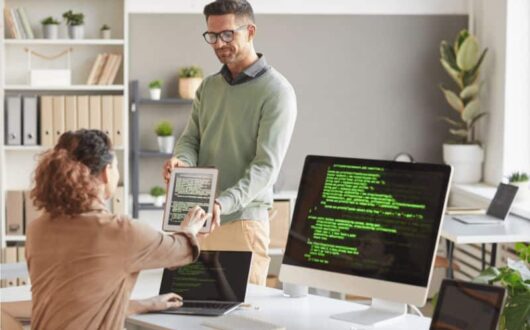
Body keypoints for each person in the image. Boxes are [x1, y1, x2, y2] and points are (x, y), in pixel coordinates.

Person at [163, 0, 297, 285]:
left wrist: (221, 204)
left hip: (242, 221)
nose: (219, 43)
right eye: (212, 36)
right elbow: (191, 138)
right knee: (193, 313)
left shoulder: (277, 92)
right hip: (198, 221)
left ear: (250, 31)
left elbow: (265, 167)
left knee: (242, 319)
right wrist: (182, 162)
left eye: (227, 34)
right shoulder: (209, 86)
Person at [26, 129, 210, 329]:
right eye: (116, 166)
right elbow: (181, 251)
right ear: (106, 173)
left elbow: (75, 303)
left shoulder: (38, 229)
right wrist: (190, 227)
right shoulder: (120, 231)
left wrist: (143, 304)